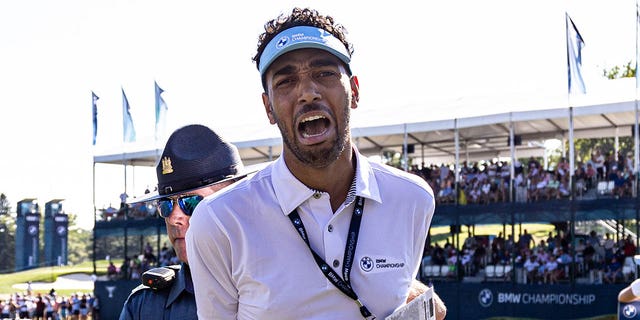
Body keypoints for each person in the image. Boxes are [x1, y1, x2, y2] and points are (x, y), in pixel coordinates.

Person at [186, 7, 440, 319]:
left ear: (355, 91)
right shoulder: (220, 221)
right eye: (286, 81)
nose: (307, 93)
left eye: (324, 73)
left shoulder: (412, 199)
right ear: (268, 108)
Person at [119, 125, 252, 320]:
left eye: (190, 202)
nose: (174, 218)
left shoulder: (281, 290)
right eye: (165, 205)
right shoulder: (144, 305)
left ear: (237, 202)